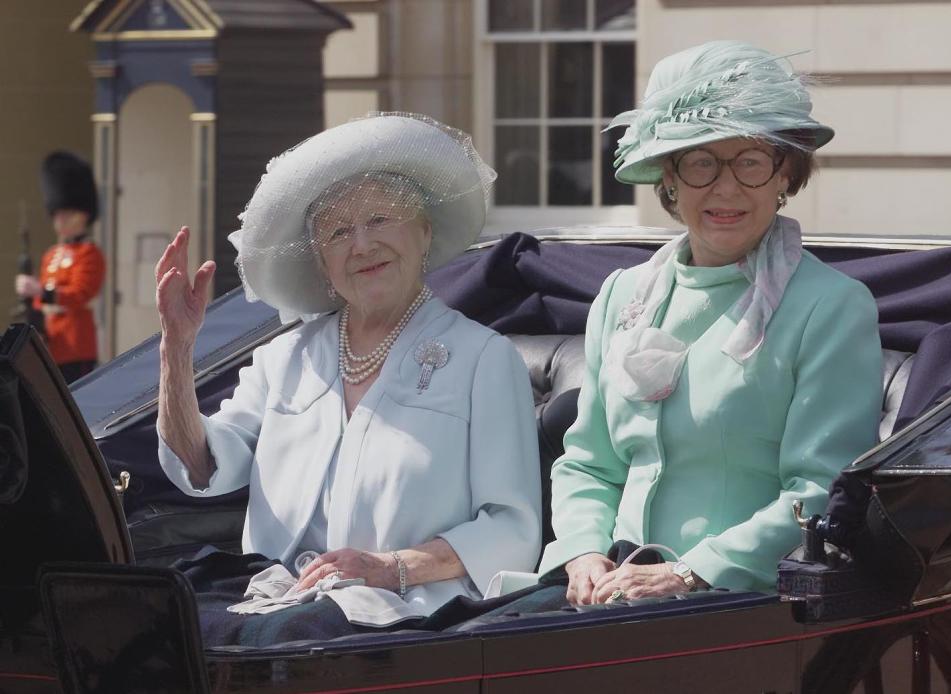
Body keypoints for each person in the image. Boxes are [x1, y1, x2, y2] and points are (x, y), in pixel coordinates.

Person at [155, 112, 541, 645]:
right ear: (322, 261)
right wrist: (176, 350)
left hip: (406, 616)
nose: (362, 245)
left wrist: (387, 567)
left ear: (424, 232)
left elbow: (511, 530)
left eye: (381, 220)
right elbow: (200, 467)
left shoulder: (483, 358)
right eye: (339, 232)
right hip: (272, 598)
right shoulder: (286, 357)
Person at [539, 41, 883, 605]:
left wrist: (690, 573)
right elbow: (589, 464)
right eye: (701, 162)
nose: (725, 188)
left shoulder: (831, 305)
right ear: (669, 180)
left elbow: (819, 490)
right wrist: (581, 552)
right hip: (604, 595)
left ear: (785, 175)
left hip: (740, 605)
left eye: (750, 161)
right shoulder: (621, 295)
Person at [15, 152, 105, 383]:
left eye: (67, 215)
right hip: (50, 346)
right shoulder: (51, 255)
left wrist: (40, 291)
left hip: (76, 346)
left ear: (83, 216)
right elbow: (39, 303)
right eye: (58, 215)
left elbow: (80, 294)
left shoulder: (90, 253)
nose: (60, 221)